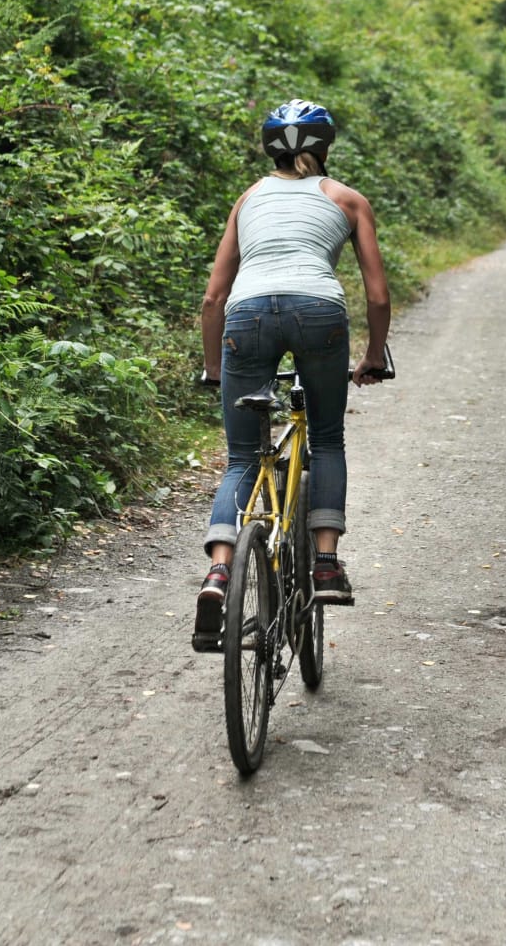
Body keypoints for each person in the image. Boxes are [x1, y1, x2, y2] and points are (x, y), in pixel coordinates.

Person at [194, 99, 391, 649]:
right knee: (326, 438)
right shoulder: (347, 199)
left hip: (247, 317)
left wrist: (215, 367)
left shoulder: (248, 198)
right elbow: (377, 295)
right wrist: (375, 354)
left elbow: (214, 298)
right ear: (325, 148)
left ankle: (218, 571)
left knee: (240, 457)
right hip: (319, 315)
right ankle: (325, 565)